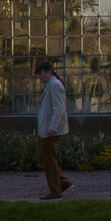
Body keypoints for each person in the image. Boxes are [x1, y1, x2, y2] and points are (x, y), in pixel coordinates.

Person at [34, 61, 71, 200]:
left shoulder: (54, 85)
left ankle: (56, 190)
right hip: (47, 129)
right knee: (43, 156)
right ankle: (63, 182)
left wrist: (53, 128)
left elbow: (59, 108)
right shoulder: (51, 85)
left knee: (48, 159)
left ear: (49, 72)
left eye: (41, 74)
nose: (40, 78)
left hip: (50, 130)